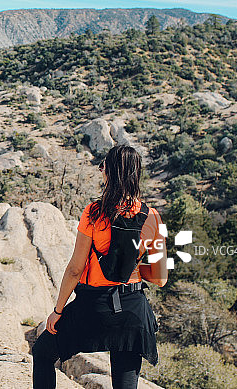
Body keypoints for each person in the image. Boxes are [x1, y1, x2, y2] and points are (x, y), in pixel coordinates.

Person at [31, 144, 168, 389]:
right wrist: (133, 269)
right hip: (132, 310)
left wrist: (58, 310)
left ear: (110, 173)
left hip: (93, 306)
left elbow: (75, 268)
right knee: (125, 383)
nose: (100, 170)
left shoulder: (94, 212)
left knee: (43, 352)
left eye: (102, 166)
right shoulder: (153, 216)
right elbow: (160, 278)